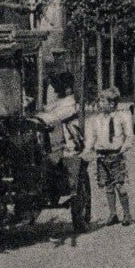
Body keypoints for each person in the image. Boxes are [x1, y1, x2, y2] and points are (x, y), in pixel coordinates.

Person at [37, 72, 88, 238]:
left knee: (66, 168)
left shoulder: (69, 103)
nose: (51, 90)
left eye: (54, 87)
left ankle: (73, 194)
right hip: (54, 144)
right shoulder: (57, 103)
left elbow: (52, 117)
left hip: (67, 145)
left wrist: (38, 115)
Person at [88, 88, 135, 226]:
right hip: (102, 156)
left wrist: (123, 148)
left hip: (116, 155)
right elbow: (92, 137)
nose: (100, 104)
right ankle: (113, 213)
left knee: (120, 185)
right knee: (108, 186)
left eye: (103, 101)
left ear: (113, 103)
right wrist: (89, 149)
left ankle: (127, 214)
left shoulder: (122, 117)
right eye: (100, 101)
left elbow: (129, 136)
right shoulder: (97, 119)